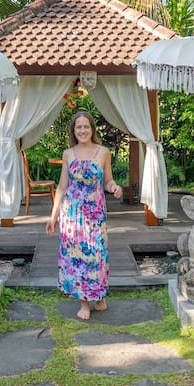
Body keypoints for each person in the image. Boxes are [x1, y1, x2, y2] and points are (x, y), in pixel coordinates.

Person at [46, 111, 123, 320]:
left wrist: (114, 187)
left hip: (95, 214)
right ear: (73, 130)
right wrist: (53, 217)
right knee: (78, 258)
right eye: (78, 127)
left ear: (92, 129)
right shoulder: (68, 154)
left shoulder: (103, 152)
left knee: (97, 256)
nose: (82, 130)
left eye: (86, 127)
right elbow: (62, 186)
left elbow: (108, 181)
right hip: (73, 214)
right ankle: (84, 303)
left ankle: (99, 295)